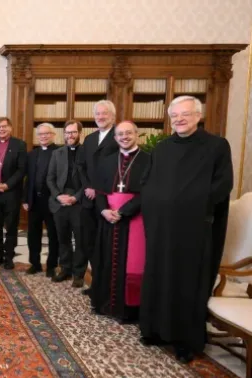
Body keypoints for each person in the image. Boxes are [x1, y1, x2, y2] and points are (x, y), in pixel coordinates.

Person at [139, 96, 233, 363]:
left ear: (198, 116)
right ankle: (155, 329)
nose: (179, 119)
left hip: (193, 231)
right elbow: (148, 182)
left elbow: (222, 185)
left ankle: (185, 340)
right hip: (161, 228)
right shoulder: (162, 148)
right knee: (158, 275)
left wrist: (189, 207)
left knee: (186, 282)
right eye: (175, 115)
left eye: (185, 114)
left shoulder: (216, 146)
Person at [90, 121, 150, 323]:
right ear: (115, 138)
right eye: (120, 134)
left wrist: (123, 211)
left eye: (128, 133)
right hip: (108, 219)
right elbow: (98, 191)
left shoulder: (148, 160)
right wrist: (104, 210)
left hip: (134, 220)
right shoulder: (107, 161)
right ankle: (105, 303)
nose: (124, 137)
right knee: (106, 259)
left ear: (136, 134)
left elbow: (148, 193)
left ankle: (128, 310)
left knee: (131, 263)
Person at [77, 100, 119, 295]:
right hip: (88, 200)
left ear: (112, 116)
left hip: (109, 200)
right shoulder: (90, 139)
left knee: (108, 245)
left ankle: (109, 287)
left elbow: (118, 169)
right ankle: (96, 284)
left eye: (104, 114)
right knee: (90, 243)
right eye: (98, 114)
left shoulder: (119, 136)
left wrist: (97, 189)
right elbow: (81, 167)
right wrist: (88, 187)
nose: (100, 117)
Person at [47, 120, 85, 287]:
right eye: (67, 132)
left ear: (79, 133)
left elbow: (90, 181)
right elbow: (50, 178)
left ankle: (78, 273)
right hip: (60, 202)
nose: (70, 135)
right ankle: (65, 269)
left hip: (79, 203)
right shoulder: (57, 153)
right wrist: (58, 195)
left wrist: (75, 197)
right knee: (63, 239)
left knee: (80, 240)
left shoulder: (86, 152)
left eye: (73, 132)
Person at [0, 116, 27, 270]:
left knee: (11, 226)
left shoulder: (20, 144)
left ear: (10, 128)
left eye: (4, 126)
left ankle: (9, 257)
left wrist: (7, 185)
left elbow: (22, 169)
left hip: (11, 192)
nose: (1, 129)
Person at [23, 123, 60, 277]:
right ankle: (35, 263)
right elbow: (28, 179)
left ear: (53, 135)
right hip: (34, 201)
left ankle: (51, 266)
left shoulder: (59, 152)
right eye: (40, 134)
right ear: (37, 136)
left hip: (52, 201)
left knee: (53, 235)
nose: (43, 136)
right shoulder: (32, 154)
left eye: (47, 134)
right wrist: (25, 199)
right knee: (33, 234)